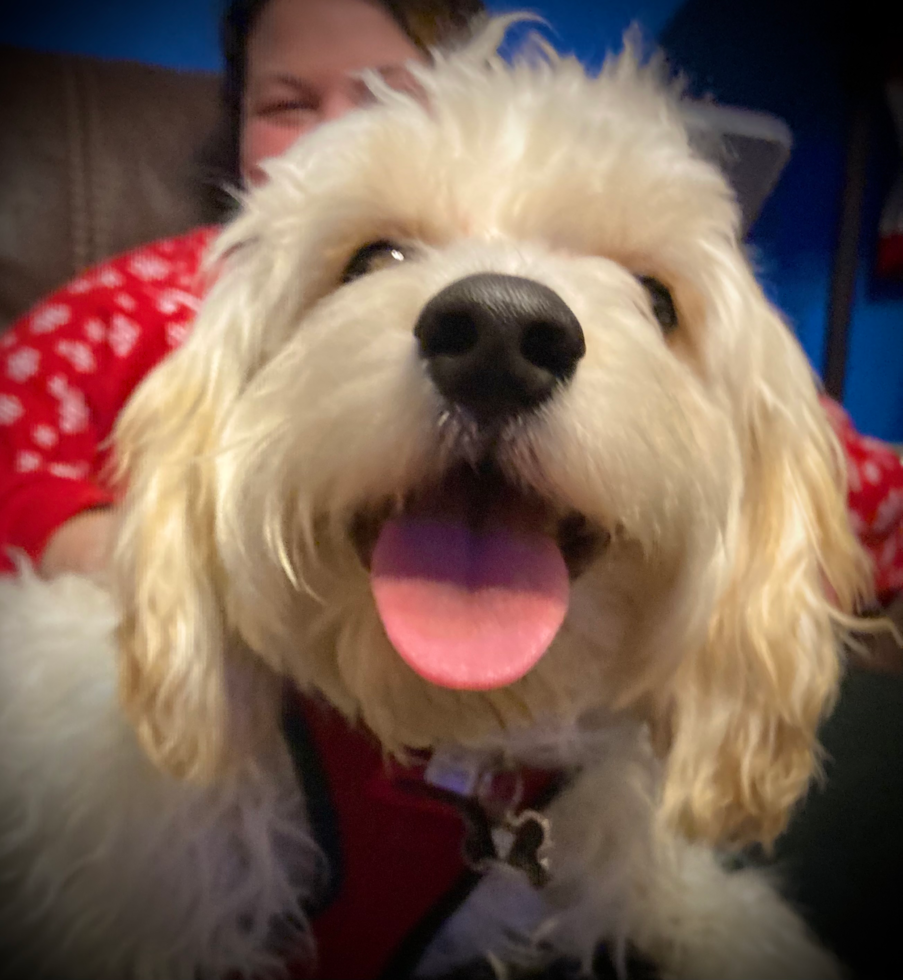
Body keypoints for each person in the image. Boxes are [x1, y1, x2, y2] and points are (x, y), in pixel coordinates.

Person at [0, 0, 901, 605]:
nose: (340, 137)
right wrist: (187, 567)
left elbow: (826, 472)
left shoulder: (608, 294)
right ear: (234, 123)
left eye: (388, 98)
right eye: (285, 104)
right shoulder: (149, 295)